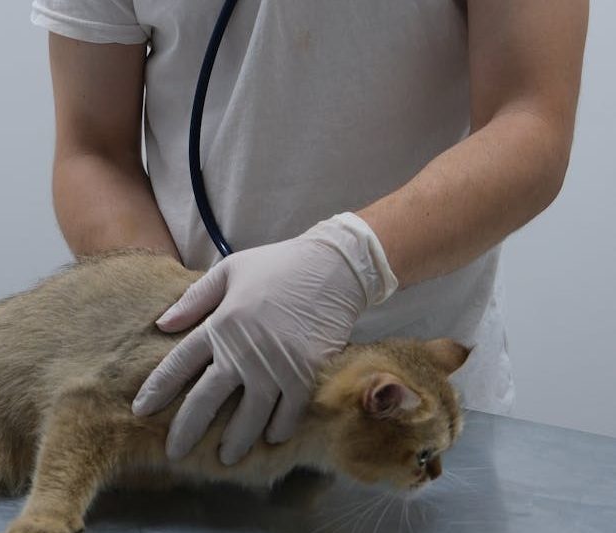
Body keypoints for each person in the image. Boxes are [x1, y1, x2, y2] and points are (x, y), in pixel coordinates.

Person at [31, 1, 587, 465]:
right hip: (198, 408)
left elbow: (531, 122)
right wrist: (182, 323)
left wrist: (348, 263)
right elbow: (93, 152)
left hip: (412, 426)